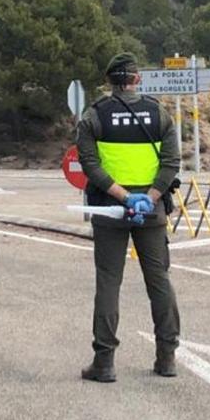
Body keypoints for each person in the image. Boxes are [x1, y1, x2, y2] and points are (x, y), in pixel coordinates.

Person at [75, 52, 181, 383]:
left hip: (110, 210)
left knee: (108, 282)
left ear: (110, 82)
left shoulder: (94, 116)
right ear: (136, 79)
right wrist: (148, 199)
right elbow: (172, 162)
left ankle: (104, 363)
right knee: (158, 281)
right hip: (151, 212)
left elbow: (89, 166)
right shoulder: (159, 112)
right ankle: (167, 358)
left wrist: (123, 197)